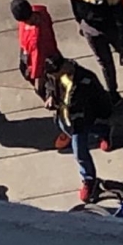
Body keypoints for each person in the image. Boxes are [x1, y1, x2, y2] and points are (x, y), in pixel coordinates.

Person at [43, 56, 113, 203]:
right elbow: (49, 85)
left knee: (80, 152)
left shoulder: (86, 79)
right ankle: (103, 130)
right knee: (66, 128)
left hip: (81, 121)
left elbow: (100, 98)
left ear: (64, 67)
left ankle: (89, 181)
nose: (54, 78)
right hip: (63, 117)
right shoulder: (54, 75)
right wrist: (50, 96)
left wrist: (103, 114)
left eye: (56, 74)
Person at [10, 0, 63, 100]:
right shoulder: (41, 12)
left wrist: (38, 83)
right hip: (51, 52)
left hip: (44, 62)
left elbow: (37, 62)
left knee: (51, 90)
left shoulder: (35, 39)